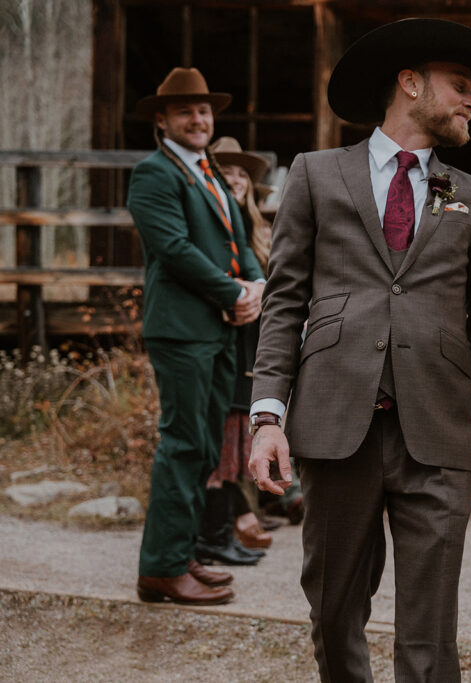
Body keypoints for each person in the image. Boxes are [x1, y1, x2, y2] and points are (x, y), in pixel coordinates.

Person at [246, 19, 471, 681]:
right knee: (334, 609)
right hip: (336, 421)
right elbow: (285, 301)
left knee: (431, 626)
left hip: (438, 429)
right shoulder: (316, 174)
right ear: (409, 83)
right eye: (460, 87)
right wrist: (265, 417)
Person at [127, 67, 266, 605]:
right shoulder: (153, 174)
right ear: (162, 120)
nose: (198, 119)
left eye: (204, 110)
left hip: (217, 329)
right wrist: (232, 294)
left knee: (205, 446)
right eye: (186, 111)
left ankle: (181, 554)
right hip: (182, 330)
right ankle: (160, 569)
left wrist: (254, 283)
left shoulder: (208, 170)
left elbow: (240, 237)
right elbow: (175, 249)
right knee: (183, 445)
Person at [203, 136, 275, 556]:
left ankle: (226, 529)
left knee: (238, 433)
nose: (235, 179)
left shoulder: (257, 228)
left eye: (240, 173)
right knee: (224, 435)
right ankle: (219, 531)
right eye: (225, 171)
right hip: (229, 329)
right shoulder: (219, 222)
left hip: (255, 336)